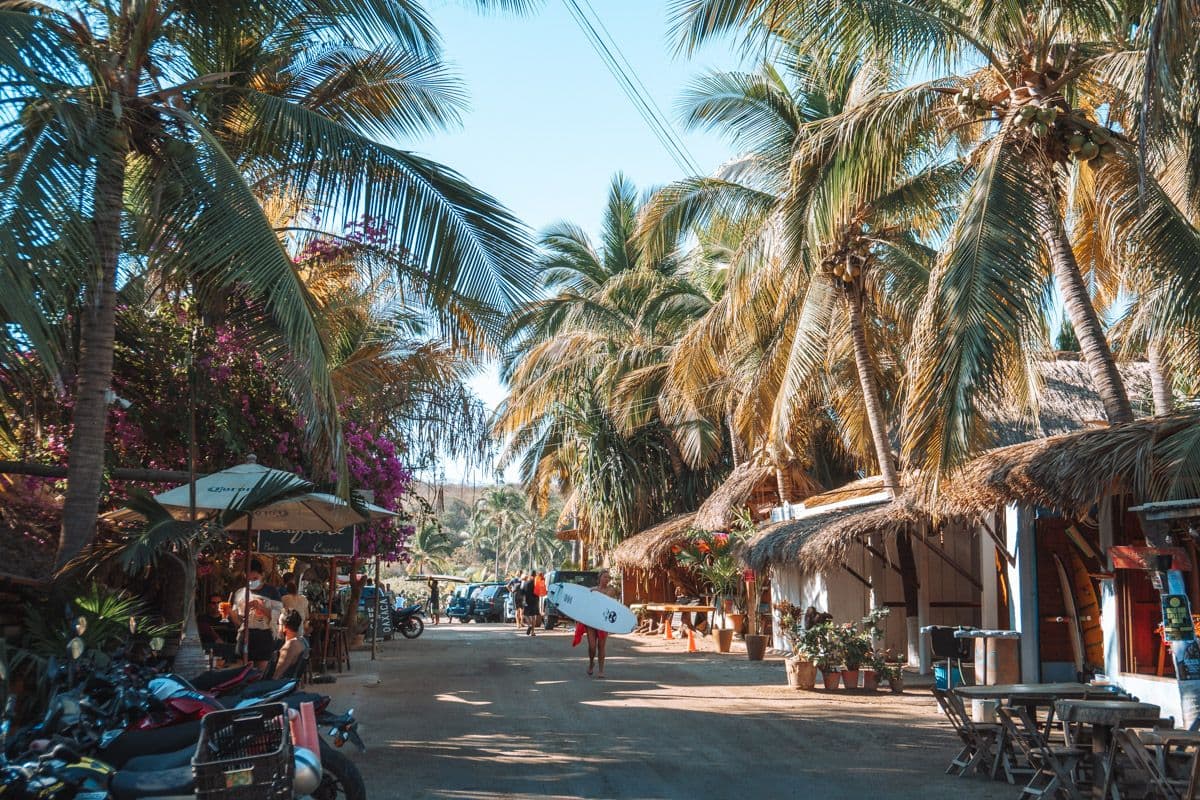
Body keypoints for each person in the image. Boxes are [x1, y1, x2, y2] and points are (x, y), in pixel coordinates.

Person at [229, 558, 283, 671]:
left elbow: (278, 616)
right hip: (245, 633)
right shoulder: (240, 593)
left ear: (262, 575)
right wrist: (229, 612)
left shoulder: (271, 592)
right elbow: (238, 620)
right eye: (249, 579)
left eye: (255, 578)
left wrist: (261, 608)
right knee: (241, 671)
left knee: (261, 672)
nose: (252, 582)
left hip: (264, 634)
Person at [580, 572, 618, 678]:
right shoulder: (592, 589)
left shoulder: (610, 590)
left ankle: (601, 670)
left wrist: (595, 592)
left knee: (601, 646)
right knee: (592, 647)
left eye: (608, 577)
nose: (607, 579)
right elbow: (585, 601)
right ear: (599, 578)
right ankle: (591, 662)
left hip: (603, 622)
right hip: (591, 621)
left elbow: (606, 598)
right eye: (604, 577)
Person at [198, 594, 237, 665]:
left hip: (224, 654)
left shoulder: (227, 620)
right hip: (206, 652)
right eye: (213, 603)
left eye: (219, 603)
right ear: (208, 605)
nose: (216, 605)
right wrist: (216, 638)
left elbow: (233, 638)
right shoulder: (202, 619)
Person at [270, 609, 307, 680]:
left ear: (285, 627)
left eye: (279, 624)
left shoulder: (290, 646)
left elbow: (276, 675)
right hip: (290, 685)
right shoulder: (303, 642)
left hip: (280, 686)